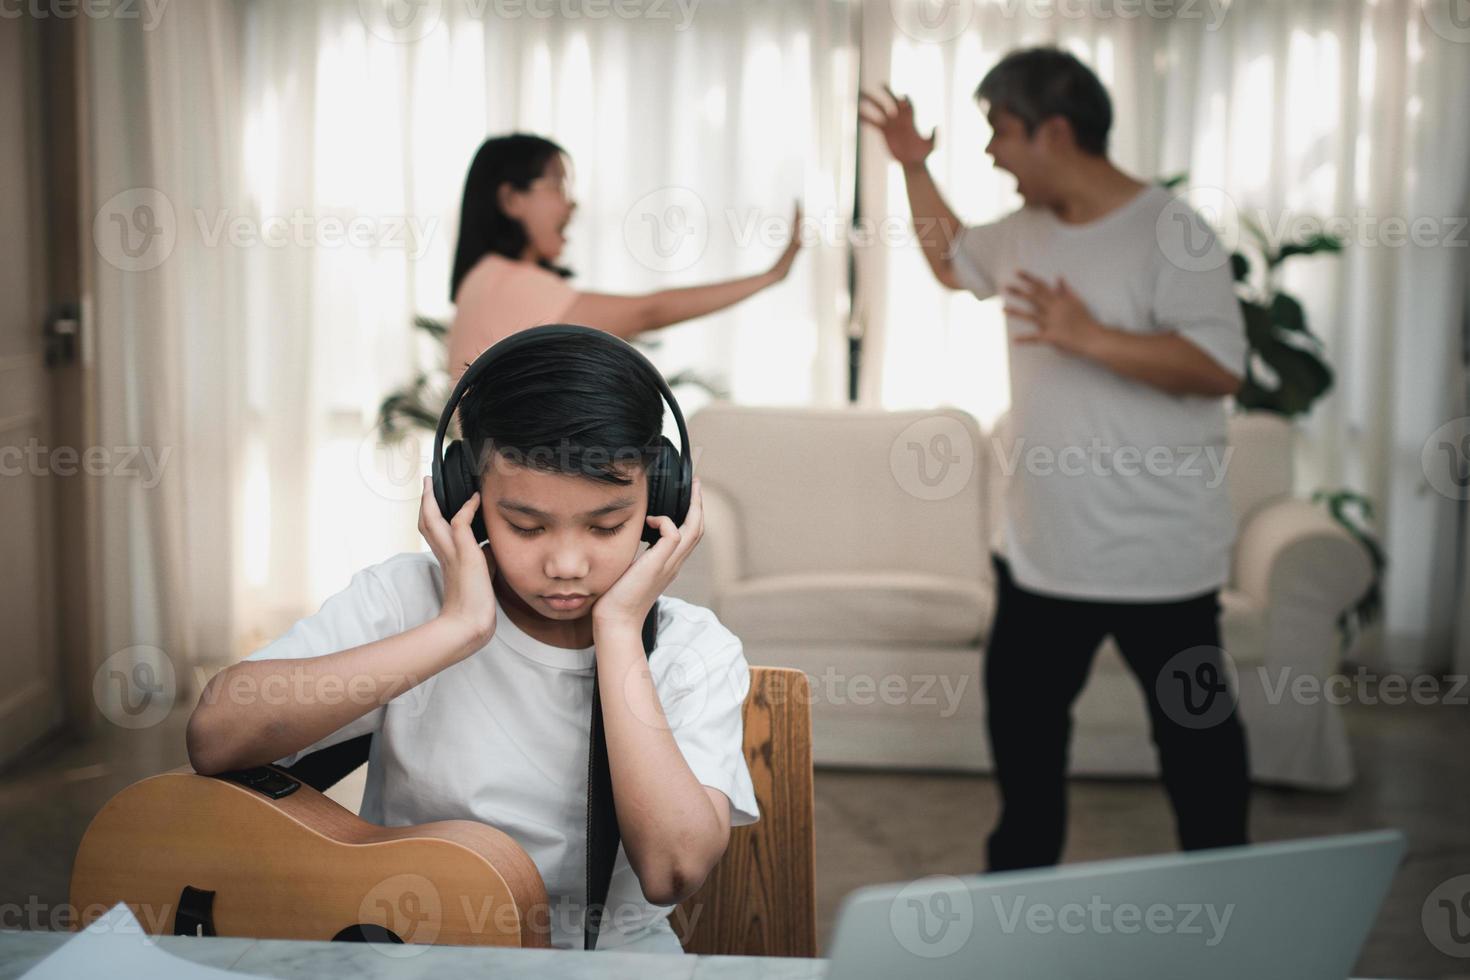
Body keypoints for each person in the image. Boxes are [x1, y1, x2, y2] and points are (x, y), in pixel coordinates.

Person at [186, 327, 760, 952]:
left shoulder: (693, 650)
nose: (566, 563)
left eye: (606, 526)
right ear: (469, 496)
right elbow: (215, 739)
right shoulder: (405, 600)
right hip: (407, 951)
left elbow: (672, 870)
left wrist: (619, 630)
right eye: (526, 525)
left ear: (664, 499)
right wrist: (456, 629)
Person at [861, 47, 1251, 871]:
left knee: (1201, 758)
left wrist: (1090, 337)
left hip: (1163, 563)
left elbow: (1219, 367)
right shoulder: (1022, 233)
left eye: (1001, 131)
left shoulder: (1172, 231)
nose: (993, 152)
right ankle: (1019, 915)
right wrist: (912, 167)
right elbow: (949, 258)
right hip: (1041, 561)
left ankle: (1234, 912)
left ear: (1055, 131)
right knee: (1027, 768)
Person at [446, 133, 802, 380]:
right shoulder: (508, 282)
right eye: (558, 185)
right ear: (511, 200)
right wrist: (771, 276)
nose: (572, 202)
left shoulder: (484, 280)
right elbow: (649, 311)